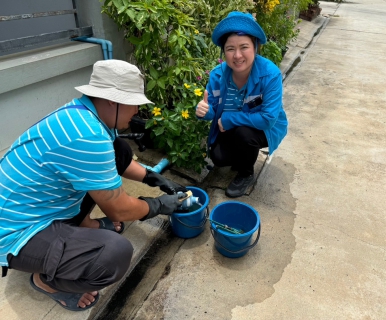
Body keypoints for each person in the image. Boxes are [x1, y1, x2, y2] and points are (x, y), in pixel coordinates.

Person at [0, 60, 187, 311]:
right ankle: (46, 281)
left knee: (119, 149)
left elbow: (116, 160)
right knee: (114, 254)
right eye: (134, 102)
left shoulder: (82, 113)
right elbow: (119, 210)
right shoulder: (87, 137)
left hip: (34, 205)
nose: (138, 110)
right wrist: (157, 205)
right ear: (113, 100)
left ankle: (82, 224)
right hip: (17, 230)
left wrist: (153, 178)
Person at [196, 11, 288, 198]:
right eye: (230, 49)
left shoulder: (270, 74)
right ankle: (243, 154)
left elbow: (268, 118)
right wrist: (205, 111)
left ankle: (246, 174)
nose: (237, 55)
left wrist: (229, 118)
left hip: (263, 127)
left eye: (244, 47)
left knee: (244, 134)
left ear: (255, 47)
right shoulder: (217, 75)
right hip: (232, 126)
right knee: (219, 158)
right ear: (224, 52)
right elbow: (213, 109)